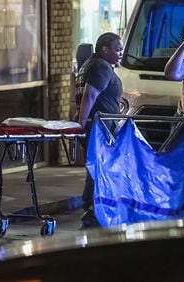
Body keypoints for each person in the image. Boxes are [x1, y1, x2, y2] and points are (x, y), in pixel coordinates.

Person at [76, 32, 123, 228]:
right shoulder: (102, 66)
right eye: (117, 49)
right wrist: (81, 123)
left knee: (96, 168)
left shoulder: (90, 64)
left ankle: (93, 209)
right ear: (104, 49)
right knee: (99, 168)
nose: (121, 53)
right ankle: (92, 210)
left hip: (97, 124)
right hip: (99, 127)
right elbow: (90, 96)